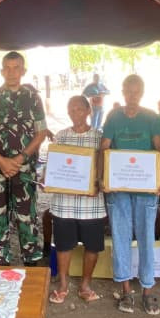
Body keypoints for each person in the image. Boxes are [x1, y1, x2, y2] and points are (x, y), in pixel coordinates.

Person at [0, 51, 49, 265]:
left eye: (16, 67)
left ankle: (31, 261)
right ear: (1, 71)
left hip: (24, 169)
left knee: (27, 216)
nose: (11, 72)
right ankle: (1, 260)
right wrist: (0, 160)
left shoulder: (33, 98)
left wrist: (21, 157)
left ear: (23, 71)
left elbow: (42, 131)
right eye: (7, 68)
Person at [101, 74, 160, 315]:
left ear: (142, 92)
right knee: (120, 237)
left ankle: (148, 290)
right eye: (128, 91)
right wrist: (103, 178)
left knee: (146, 237)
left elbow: (159, 149)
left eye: (136, 91)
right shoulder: (113, 116)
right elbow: (104, 147)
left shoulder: (151, 117)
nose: (132, 95)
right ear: (122, 91)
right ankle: (126, 291)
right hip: (118, 189)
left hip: (145, 188)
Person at [43, 96, 106, 303]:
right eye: (71, 110)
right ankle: (63, 284)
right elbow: (53, 165)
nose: (75, 113)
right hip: (64, 204)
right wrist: (48, 176)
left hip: (92, 203)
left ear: (89, 111)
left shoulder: (100, 137)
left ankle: (85, 285)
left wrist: (98, 182)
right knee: (63, 245)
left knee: (93, 246)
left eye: (79, 109)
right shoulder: (61, 136)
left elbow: (105, 166)